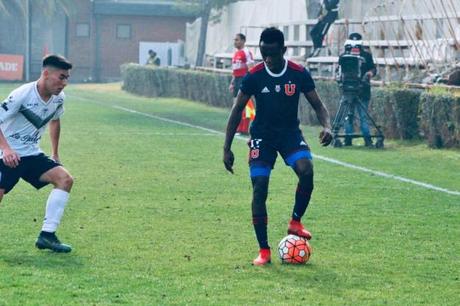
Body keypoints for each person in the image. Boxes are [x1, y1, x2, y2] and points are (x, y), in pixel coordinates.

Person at [223, 27, 333, 266]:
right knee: (260, 187)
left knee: (307, 170)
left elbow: (318, 105)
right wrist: (226, 148)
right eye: (264, 54)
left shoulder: (298, 73)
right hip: (262, 136)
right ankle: (264, 250)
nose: (268, 59)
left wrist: (327, 126)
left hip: (290, 134)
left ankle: (295, 221)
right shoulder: (255, 76)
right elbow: (236, 111)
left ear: (283, 50)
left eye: (272, 54)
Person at [0, 54, 74, 253]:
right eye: (61, 77)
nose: (64, 83)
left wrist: (55, 153)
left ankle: (47, 236)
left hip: (31, 154)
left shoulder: (59, 98)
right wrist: (6, 149)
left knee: (64, 179)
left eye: (67, 78)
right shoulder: (22, 94)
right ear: (46, 73)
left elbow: (55, 120)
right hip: (6, 154)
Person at [341, 32, 377, 147]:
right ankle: (348, 139)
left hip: (363, 91)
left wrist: (369, 73)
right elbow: (339, 70)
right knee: (348, 116)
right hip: (348, 91)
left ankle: (367, 140)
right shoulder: (344, 57)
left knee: (363, 116)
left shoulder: (367, 56)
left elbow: (373, 68)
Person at [229, 33, 255, 135]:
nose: (235, 42)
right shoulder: (236, 53)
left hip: (243, 80)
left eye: (237, 40)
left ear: (243, 41)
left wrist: (249, 82)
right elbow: (235, 70)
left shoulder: (246, 52)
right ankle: (238, 127)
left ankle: (243, 129)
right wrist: (232, 82)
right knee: (236, 104)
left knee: (243, 105)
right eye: (234, 40)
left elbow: (251, 68)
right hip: (237, 80)